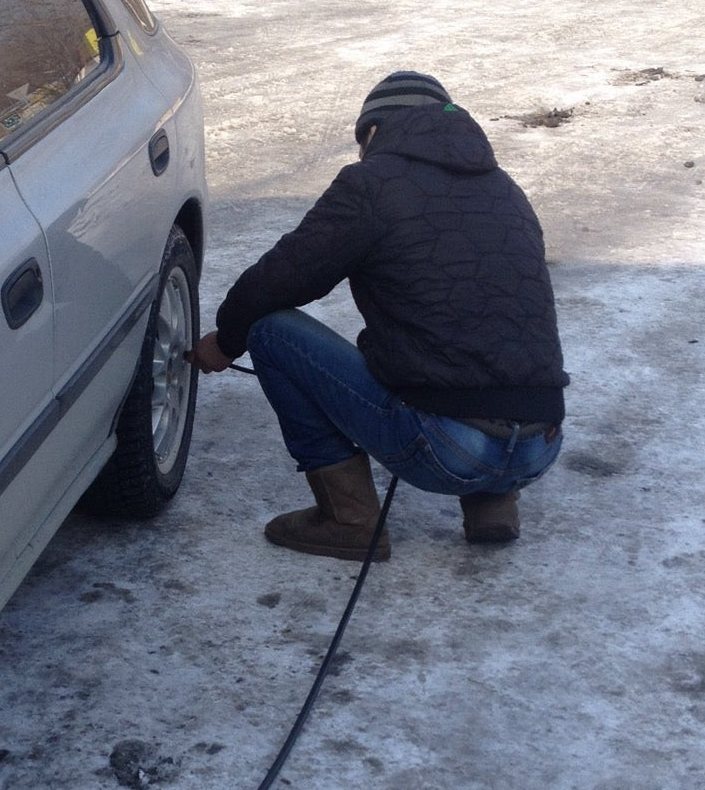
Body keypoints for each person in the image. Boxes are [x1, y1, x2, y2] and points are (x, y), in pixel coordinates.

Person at [188, 71, 568, 560]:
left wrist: (225, 341)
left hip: (448, 450)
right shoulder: (505, 191)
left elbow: (281, 278)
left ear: (373, 132)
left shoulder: (371, 184)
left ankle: (348, 521)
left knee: (270, 331)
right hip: (540, 447)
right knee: (483, 339)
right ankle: (494, 504)